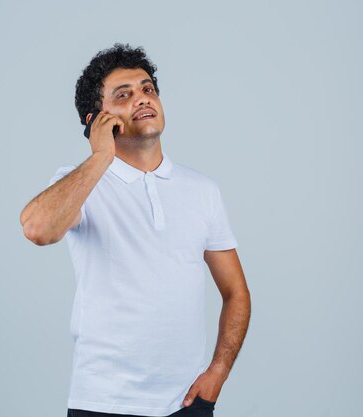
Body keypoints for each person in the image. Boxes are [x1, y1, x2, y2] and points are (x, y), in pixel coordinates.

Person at [20, 43, 251, 417]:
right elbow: (38, 228)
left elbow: (236, 291)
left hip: (188, 404)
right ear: (96, 119)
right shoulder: (80, 183)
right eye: (123, 95)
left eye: (148, 89)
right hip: (104, 402)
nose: (142, 99)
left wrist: (219, 372)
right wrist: (100, 157)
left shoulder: (202, 190)